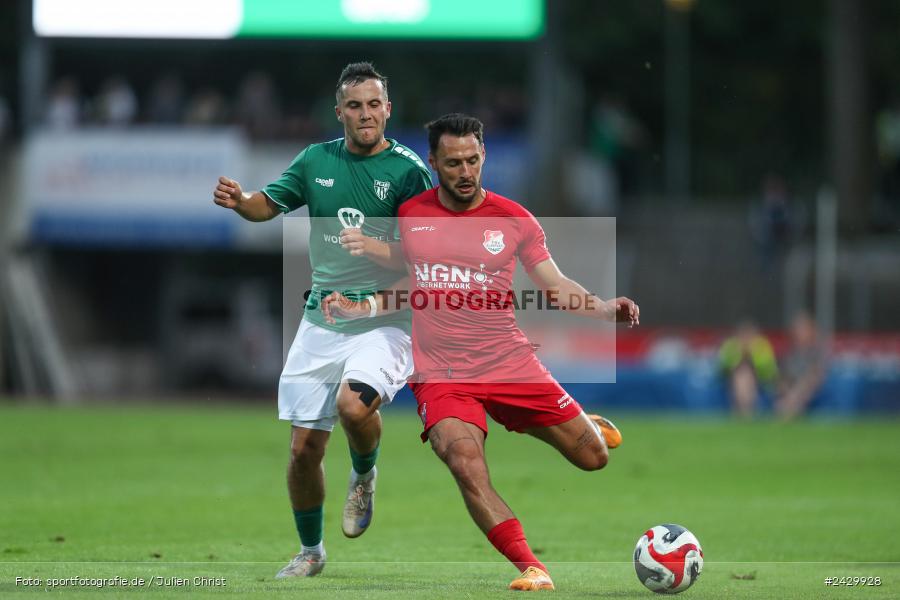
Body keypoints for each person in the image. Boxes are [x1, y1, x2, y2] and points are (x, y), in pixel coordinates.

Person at [321, 114, 639, 591]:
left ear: (483, 156)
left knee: (593, 458)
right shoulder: (410, 214)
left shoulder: (514, 219)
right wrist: (359, 306)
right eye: (453, 163)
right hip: (442, 374)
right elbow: (412, 281)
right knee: (463, 460)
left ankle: (587, 425)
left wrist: (602, 309)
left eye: (472, 160)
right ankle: (532, 566)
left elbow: (552, 286)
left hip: (508, 362)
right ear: (433, 163)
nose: (465, 171)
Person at [212, 62, 432, 579]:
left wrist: (377, 247)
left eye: (374, 104)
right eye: (354, 106)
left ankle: (364, 473)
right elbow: (268, 205)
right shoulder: (316, 161)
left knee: (353, 407)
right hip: (324, 316)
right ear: (339, 113)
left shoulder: (408, 171)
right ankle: (311, 551)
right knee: (304, 448)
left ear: (388, 109)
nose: (365, 114)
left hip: (386, 317)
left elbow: (429, 254)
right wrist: (241, 202)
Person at [717, 321, 778, 417]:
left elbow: (769, 370)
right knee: (741, 375)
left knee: (745, 375)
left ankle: (745, 410)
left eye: (748, 335)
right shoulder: (732, 345)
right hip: (731, 382)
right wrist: (739, 356)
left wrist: (751, 356)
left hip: (761, 382)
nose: (746, 339)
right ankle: (745, 410)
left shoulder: (761, 345)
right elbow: (722, 367)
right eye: (743, 335)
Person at [775, 311, 828, 420]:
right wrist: (784, 385)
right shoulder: (790, 352)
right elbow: (782, 374)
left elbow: (817, 375)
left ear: (810, 330)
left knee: (803, 385)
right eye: (798, 329)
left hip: (809, 388)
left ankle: (787, 411)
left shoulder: (816, 351)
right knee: (787, 392)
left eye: (803, 329)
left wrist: (796, 391)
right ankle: (788, 411)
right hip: (791, 388)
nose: (800, 332)